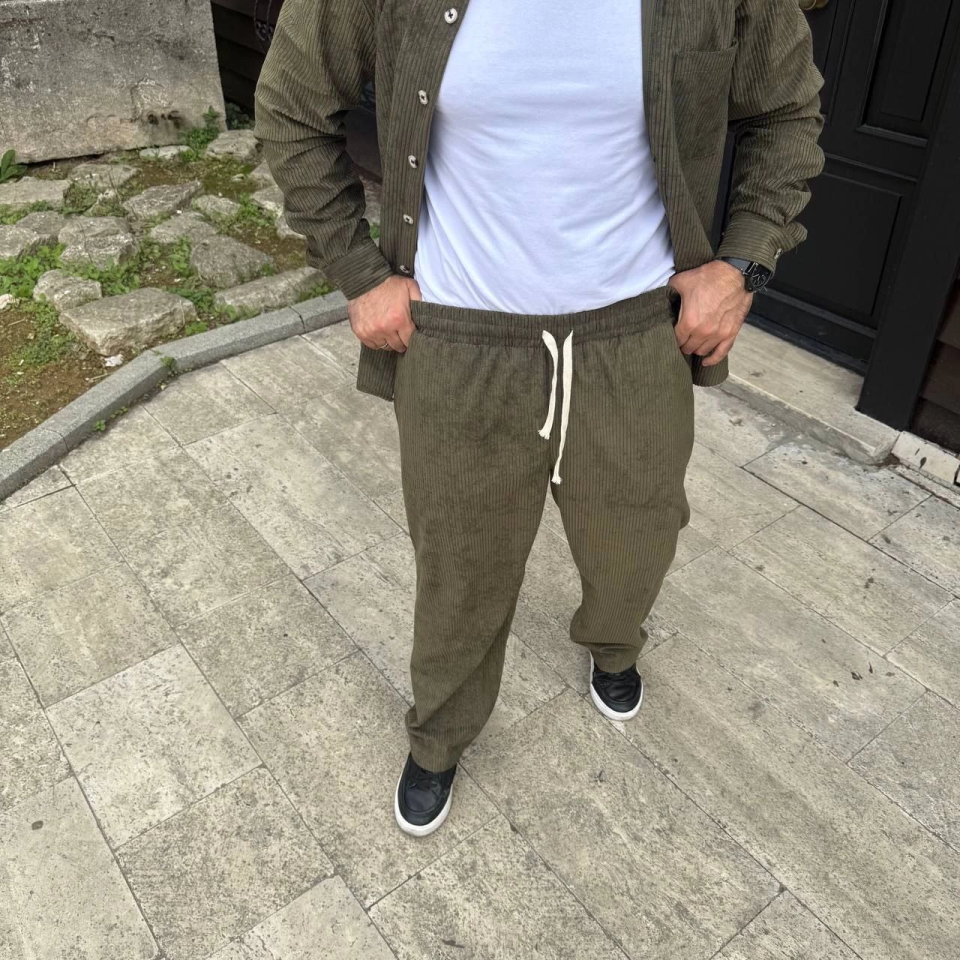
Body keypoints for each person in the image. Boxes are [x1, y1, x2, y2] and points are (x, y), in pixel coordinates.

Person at [256, 0, 824, 836]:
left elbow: (787, 109)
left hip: (636, 330)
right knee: (460, 558)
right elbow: (291, 107)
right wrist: (359, 273)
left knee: (638, 528)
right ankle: (440, 733)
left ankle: (614, 643)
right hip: (460, 335)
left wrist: (739, 264)